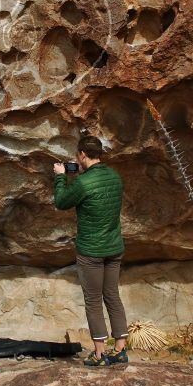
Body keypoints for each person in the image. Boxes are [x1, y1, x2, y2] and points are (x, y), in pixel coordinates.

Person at [53, 134, 129, 367]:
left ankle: (99, 354)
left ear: (82, 155)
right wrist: (76, 177)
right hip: (114, 248)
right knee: (112, 296)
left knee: (93, 300)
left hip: (91, 252)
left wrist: (60, 178)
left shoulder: (83, 183)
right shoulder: (115, 177)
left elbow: (62, 202)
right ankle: (120, 350)